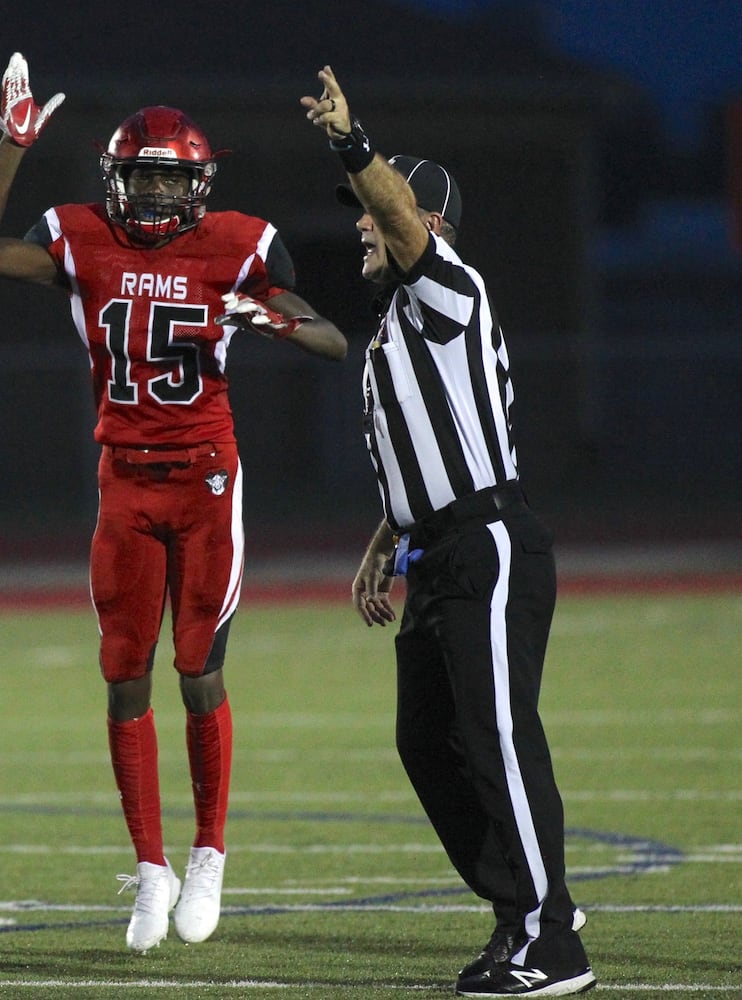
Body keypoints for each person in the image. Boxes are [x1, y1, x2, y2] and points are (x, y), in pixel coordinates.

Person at [0, 53, 347, 955]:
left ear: (200, 184)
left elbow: (334, 339)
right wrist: (12, 150)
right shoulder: (81, 235)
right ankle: (153, 866)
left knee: (198, 668)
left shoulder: (241, 245)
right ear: (114, 179)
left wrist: (273, 319)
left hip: (208, 476)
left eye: (171, 178)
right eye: (140, 176)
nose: (154, 194)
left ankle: (209, 853)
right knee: (122, 675)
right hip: (124, 480)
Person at [300, 66, 595, 997]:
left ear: (425, 227)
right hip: (438, 551)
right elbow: (424, 456)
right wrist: (382, 543)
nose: (356, 223)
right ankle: (530, 904)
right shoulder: (398, 323)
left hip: (489, 544)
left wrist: (355, 146)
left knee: (501, 738)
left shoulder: (447, 290)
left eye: (372, 211)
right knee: (428, 741)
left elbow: (395, 215)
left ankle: (551, 944)